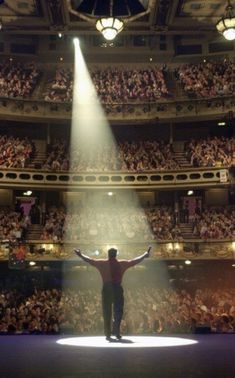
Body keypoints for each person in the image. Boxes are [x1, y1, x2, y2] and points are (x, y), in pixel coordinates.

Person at [74, 246, 151, 341]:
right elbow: (134, 261)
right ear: (116, 255)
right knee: (118, 311)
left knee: (107, 312)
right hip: (117, 288)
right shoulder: (121, 264)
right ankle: (117, 332)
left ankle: (107, 334)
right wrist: (144, 254)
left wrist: (80, 255)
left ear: (108, 255)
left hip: (106, 289)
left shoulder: (103, 263)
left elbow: (90, 260)